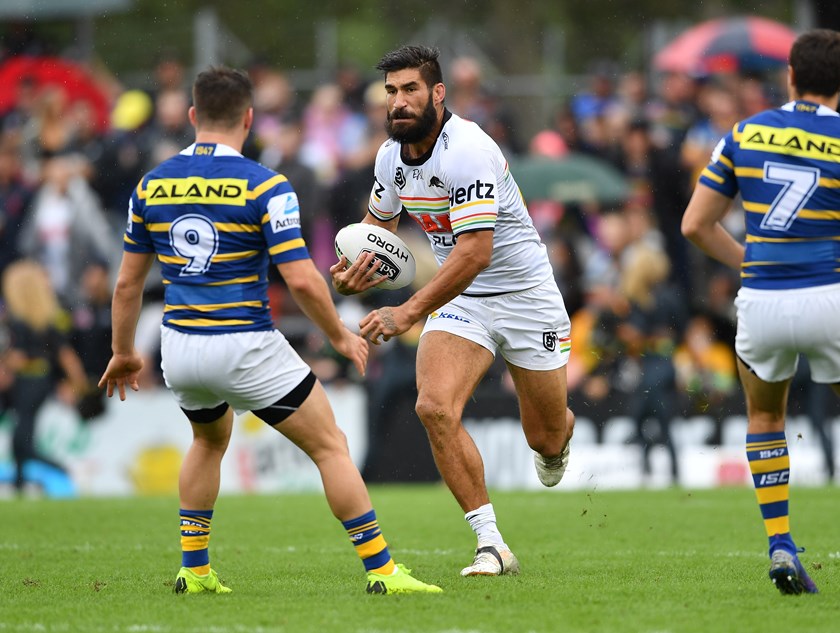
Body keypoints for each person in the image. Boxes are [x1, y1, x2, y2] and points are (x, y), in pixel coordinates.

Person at [98, 66, 441, 596]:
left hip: (180, 346)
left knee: (208, 441)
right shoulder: (265, 184)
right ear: (249, 119)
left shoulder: (152, 183)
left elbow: (126, 286)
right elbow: (301, 278)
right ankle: (383, 571)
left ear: (193, 116)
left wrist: (123, 352)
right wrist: (339, 335)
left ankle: (195, 569)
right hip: (244, 343)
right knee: (330, 446)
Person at [331, 45, 575, 577]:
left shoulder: (467, 149)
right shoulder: (389, 157)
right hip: (461, 298)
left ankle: (558, 434)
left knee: (547, 438)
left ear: (438, 94)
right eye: (391, 92)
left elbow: (475, 252)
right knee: (434, 407)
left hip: (525, 296)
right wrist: (356, 269)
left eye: (410, 90)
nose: (398, 101)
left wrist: (409, 311)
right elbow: (379, 233)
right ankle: (492, 545)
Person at [681, 28, 840, 596]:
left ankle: (779, 543)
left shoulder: (744, 133)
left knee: (766, 418)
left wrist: (749, 258)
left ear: (791, 77)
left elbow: (695, 224)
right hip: (830, 295)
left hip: (763, 299)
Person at [2, 259, 88, 495]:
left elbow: (20, 357)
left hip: (29, 382)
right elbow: (65, 355)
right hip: (37, 381)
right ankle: (19, 485)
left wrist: (76, 383)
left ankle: (62, 470)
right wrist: (76, 381)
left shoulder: (19, 322)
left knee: (23, 441)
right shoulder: (44, 320)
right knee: (20, 440)